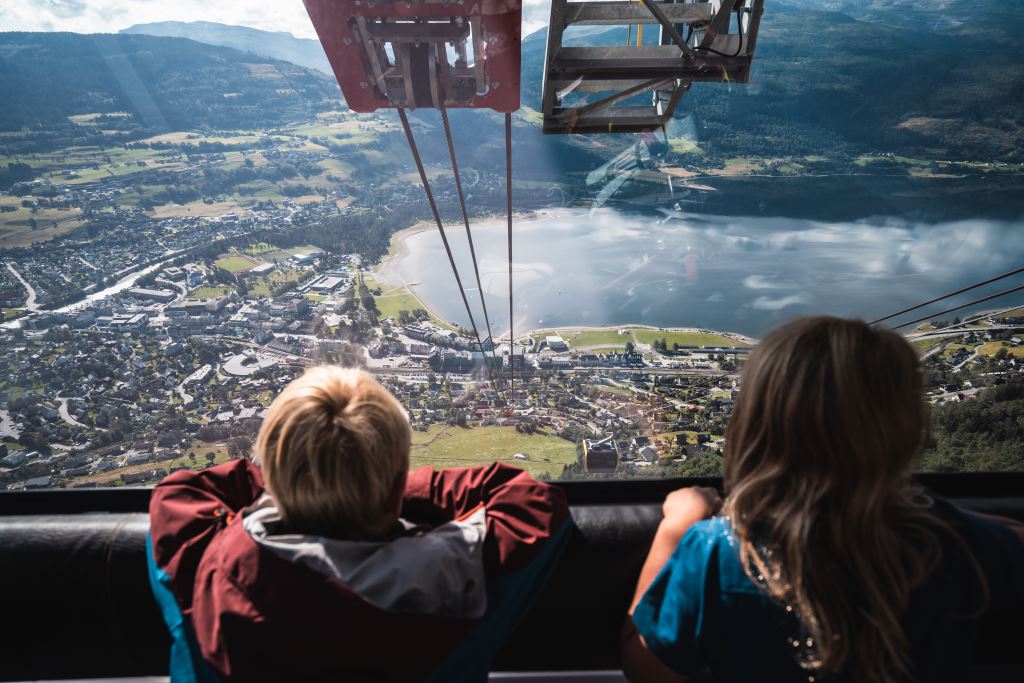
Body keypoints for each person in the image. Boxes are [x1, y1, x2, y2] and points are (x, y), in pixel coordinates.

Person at [621, 316, 1024, 683]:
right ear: (909, 431)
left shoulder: (717, 551)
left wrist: (675, 526)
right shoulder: (957, 546)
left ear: (752, 424)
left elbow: (643, 665)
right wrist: (937, 515)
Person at [147, 366, 572, 683]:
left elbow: (181, 490)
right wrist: (374, 484)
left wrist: (305, 476)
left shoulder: (203, 563)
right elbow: (533, 502)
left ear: (274, 474)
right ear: (394, 489)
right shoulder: (459, 581)